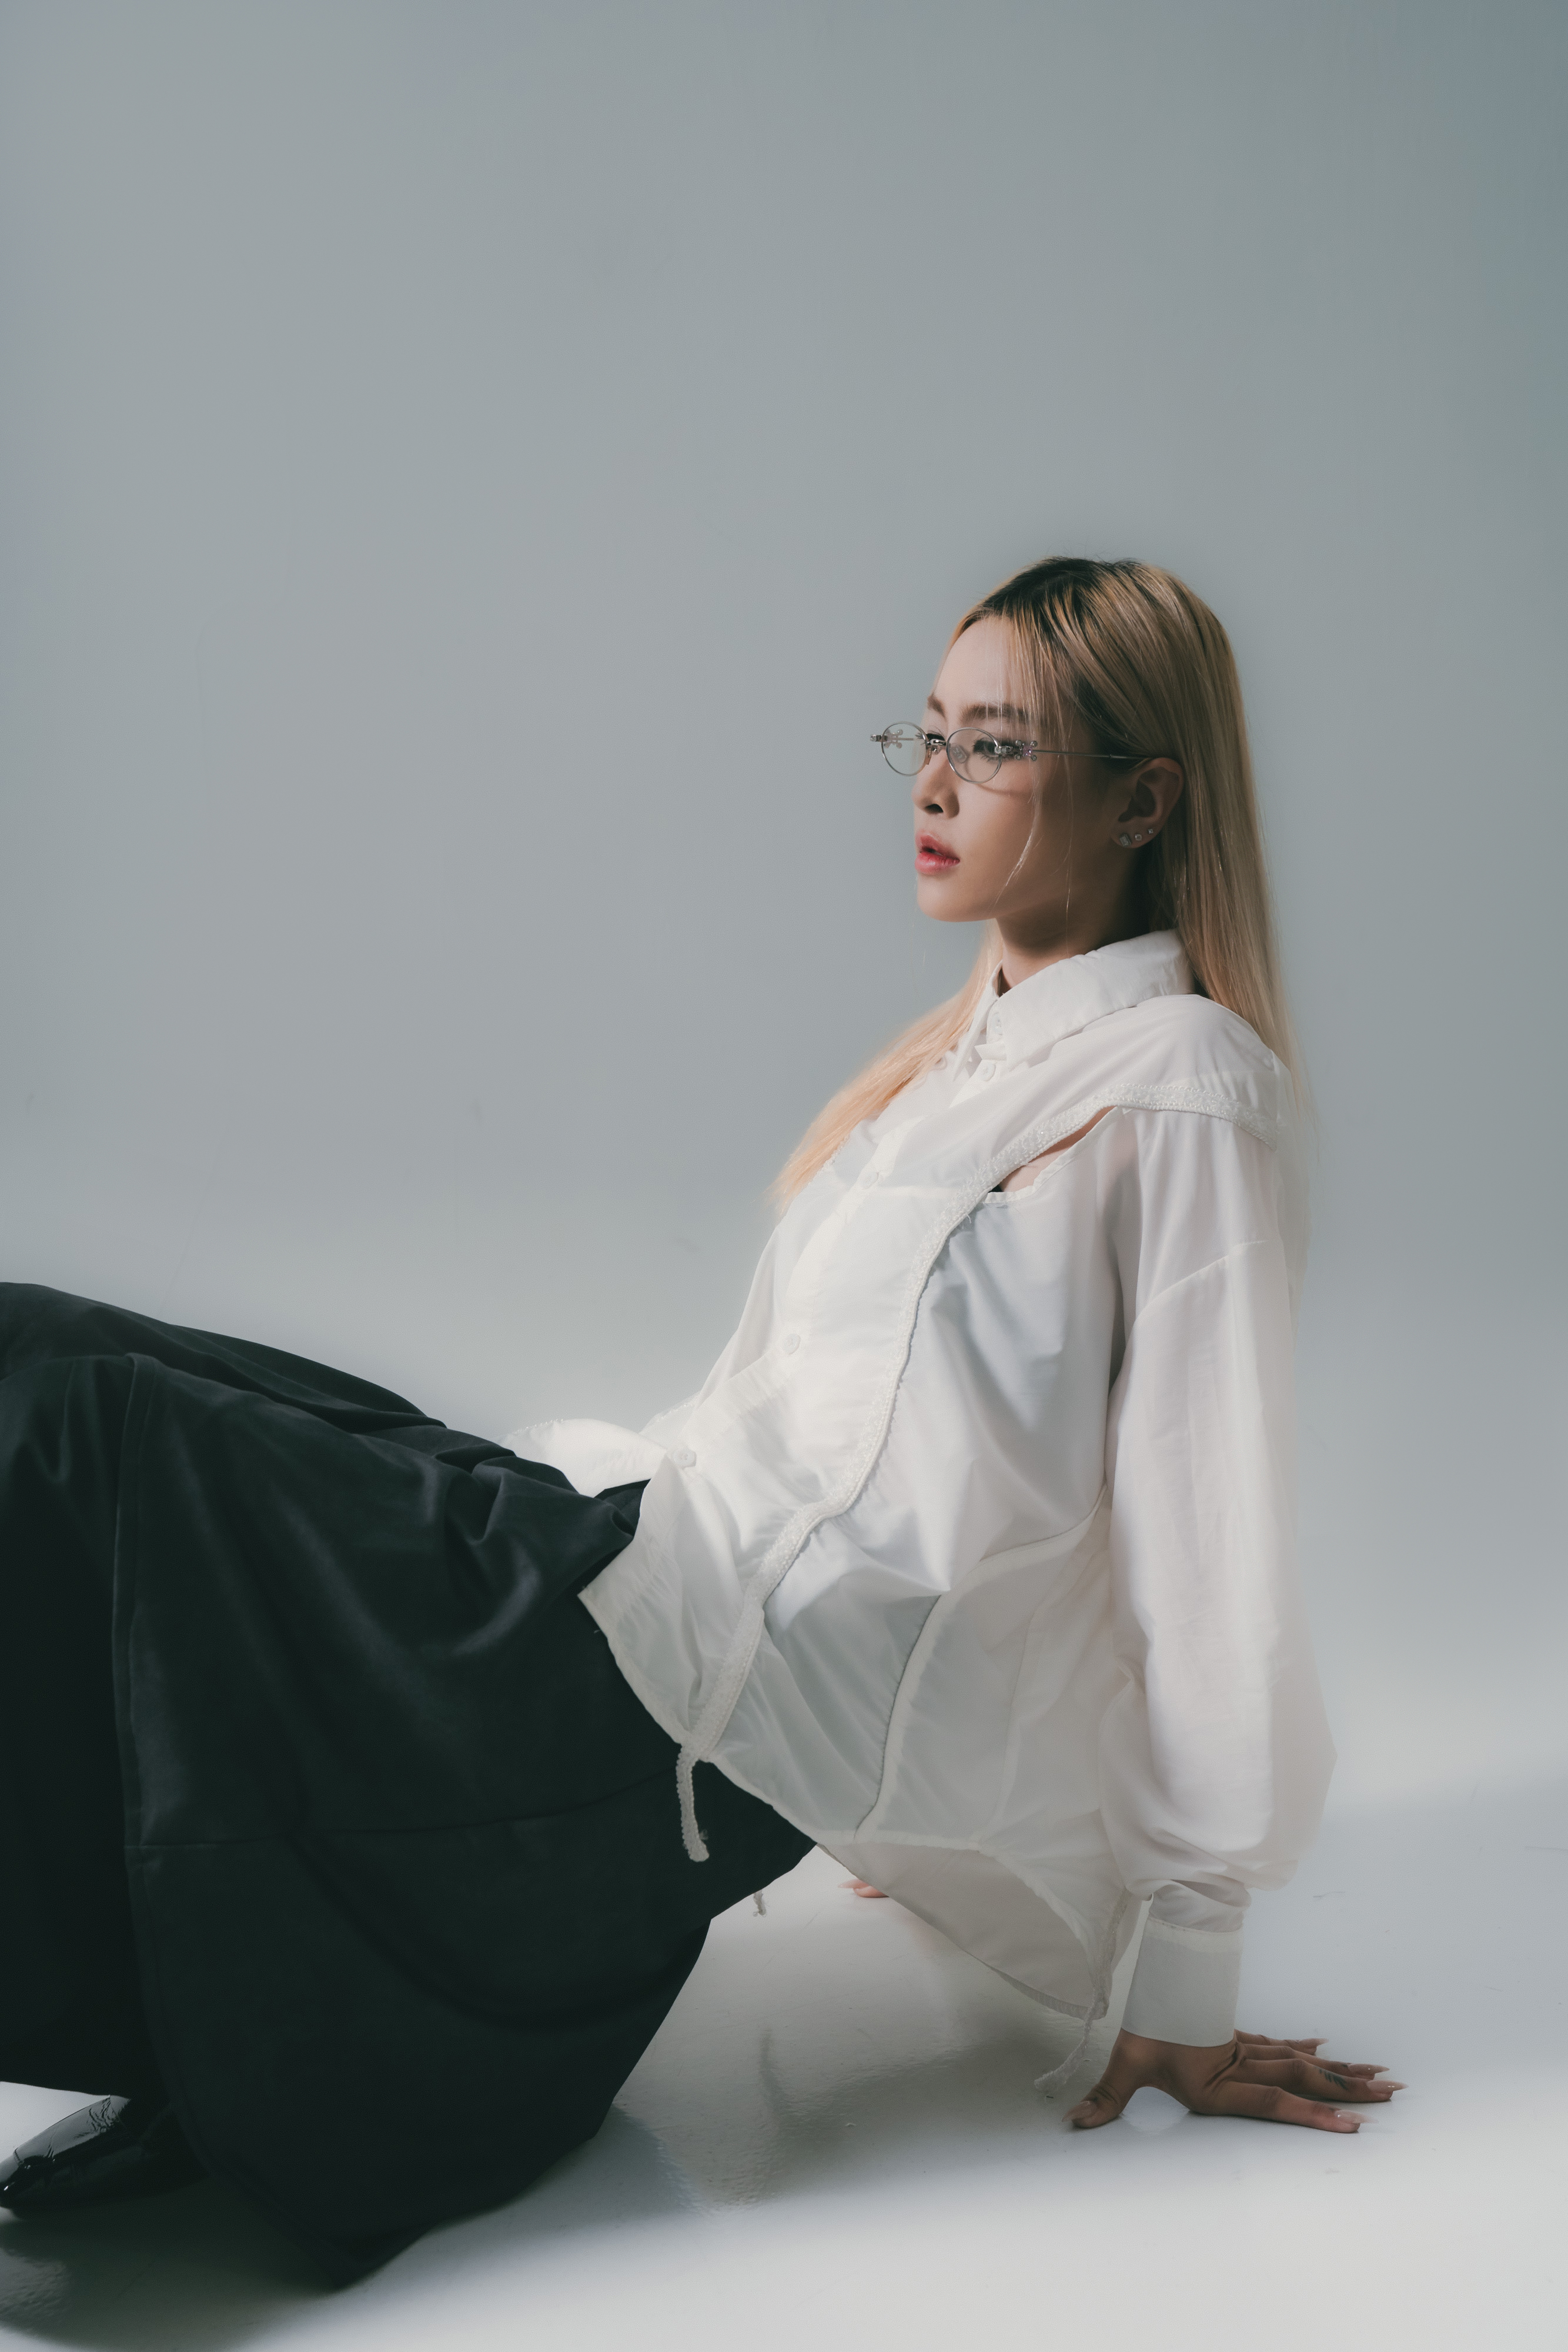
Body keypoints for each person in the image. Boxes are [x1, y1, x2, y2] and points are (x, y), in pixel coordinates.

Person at [0, 555, 1400, 2283]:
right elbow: (796, 1442)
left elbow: (1204, 1535)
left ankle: (178, 2046)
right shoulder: (952, 1071)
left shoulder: (1181, 1085)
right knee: (33, 1343)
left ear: (1143, 797)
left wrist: (1185, 1964)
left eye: (995, 745)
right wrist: (886, 1803)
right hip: (630, 1552)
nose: (935, 785)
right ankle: (166, 2031)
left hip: (671, 1686)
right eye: (925, 735)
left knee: (73, 1425)